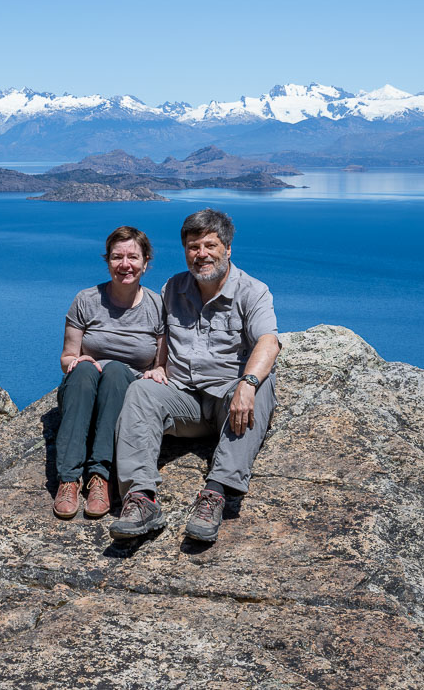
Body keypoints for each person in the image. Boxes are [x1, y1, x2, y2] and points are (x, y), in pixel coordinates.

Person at [109, 208, 280, 543]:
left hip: (229, 402)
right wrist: (157, 366)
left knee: (261, 385)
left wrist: (247, 384)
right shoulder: (173, 288)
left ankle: (216, 492)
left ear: (227, 248)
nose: (201, 254)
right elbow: (153, 335)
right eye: (193, 247)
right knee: (141, 391)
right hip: (184, 399)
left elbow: (268, 342)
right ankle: (141, 499)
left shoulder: (253, 291)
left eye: (210, 245)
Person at [54, 226, 166, 519]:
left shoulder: (157, 306)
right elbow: (67, 357)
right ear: (108, 261)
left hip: (125, 390)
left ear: (146, 262)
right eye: (117, 257)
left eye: (133, 257)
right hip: (85, 387)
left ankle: (100, 477)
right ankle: (68, 479)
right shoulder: (86, 300)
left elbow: (161, 365)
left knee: (115, 370)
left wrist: (156, 372)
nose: (125, 265)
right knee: (83, 369)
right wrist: (76, 362)